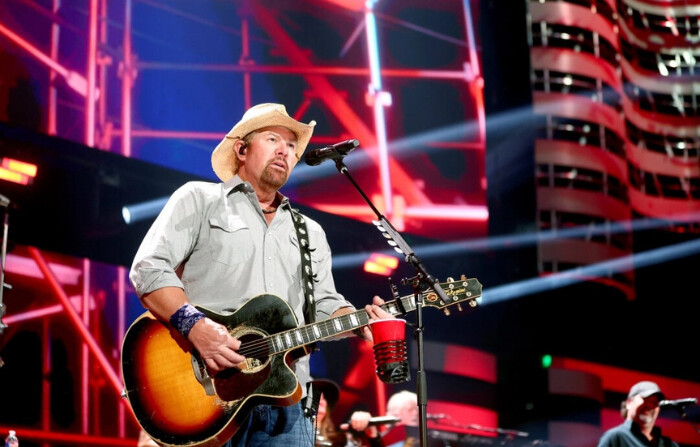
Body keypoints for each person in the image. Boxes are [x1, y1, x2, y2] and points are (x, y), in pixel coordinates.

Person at [129, 103, 392, 446]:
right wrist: (195, 325)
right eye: (273, 139)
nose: (286, 150)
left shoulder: (310, 231)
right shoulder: (199, 199)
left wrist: (359, 322)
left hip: (287, 402)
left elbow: (324, 304)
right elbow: (149, 268)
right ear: (242, 149)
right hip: (204, 397)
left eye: (292, 147)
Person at [597, 380, 679, 447]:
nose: (650, 405)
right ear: (628, 403)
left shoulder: (670, 444)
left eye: (654, 402)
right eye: (645, 399)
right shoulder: (616, 437)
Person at [343, 390, 419, 447]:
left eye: (395, 413)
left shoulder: (428, 438)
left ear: (413, 412)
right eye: (389, 412)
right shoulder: (383, 439)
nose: (389, 416)